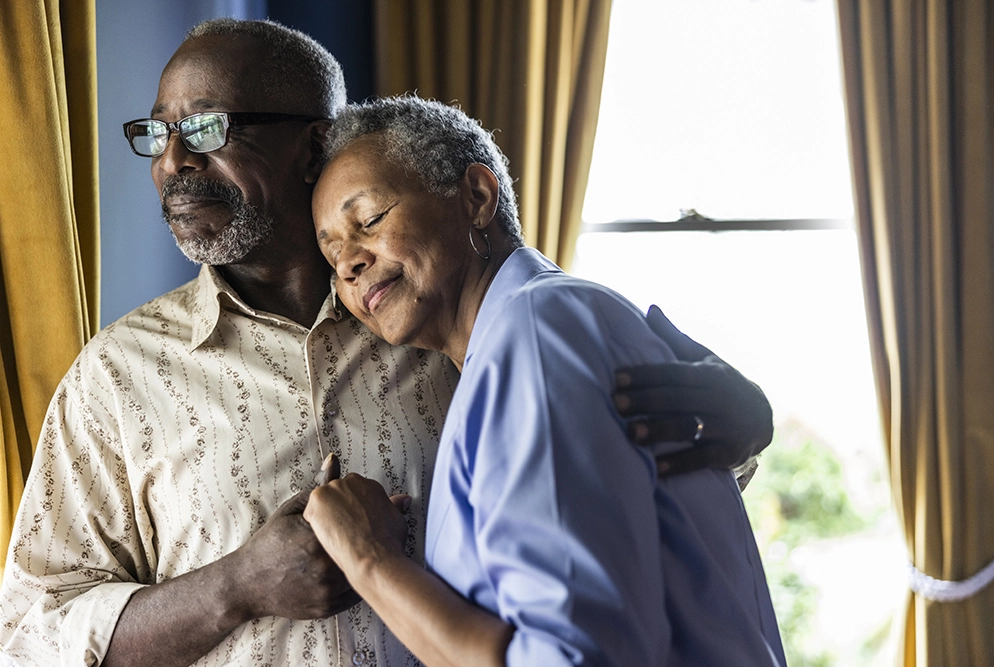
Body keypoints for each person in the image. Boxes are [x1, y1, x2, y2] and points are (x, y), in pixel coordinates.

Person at [0, 18, 773, 667]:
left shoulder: (461, 325)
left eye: (205, 127)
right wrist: (234, 585)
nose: (172, 162)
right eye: (158, 136)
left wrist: (737, 427)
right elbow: (29, 635)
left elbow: (617, 517)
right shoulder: (115, 378)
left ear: (314, 145)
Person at [304, 95, 786, 666]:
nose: (349, 264)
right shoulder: (517, 342)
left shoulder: (535, 332)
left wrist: (370, 561)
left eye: (370, 221)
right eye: (332, 253)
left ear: (477, 198)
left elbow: (568, 658)